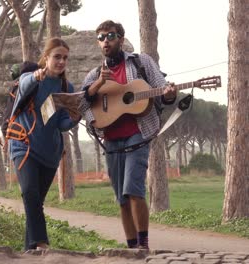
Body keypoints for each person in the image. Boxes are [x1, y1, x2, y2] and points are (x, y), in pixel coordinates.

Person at [80, 20, 177, 249]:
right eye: (101, 37)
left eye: (111, 36)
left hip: (138, 135)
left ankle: (143, 245)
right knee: (121, 199)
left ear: (121, 39)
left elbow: (162, 92)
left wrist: (170, 94)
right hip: (111, 140)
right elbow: (82, 104)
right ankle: (132, 247)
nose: (106, 41)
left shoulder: (141, 62)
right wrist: (99, 115)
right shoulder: (94, 74)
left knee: (133, 189)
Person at [8, 37, 80, 251]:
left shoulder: (67, 86)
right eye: (57, 57)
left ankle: (29, 252)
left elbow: (62, 124)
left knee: (35, 203)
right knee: (30, 193)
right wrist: (36, 76)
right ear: (46, 57)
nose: (61, 62)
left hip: (50, 153)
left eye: (65, 58)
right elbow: (25, 84)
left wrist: (76, 116)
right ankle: (41, 244)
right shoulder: (29, 78)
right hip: (23, 146)